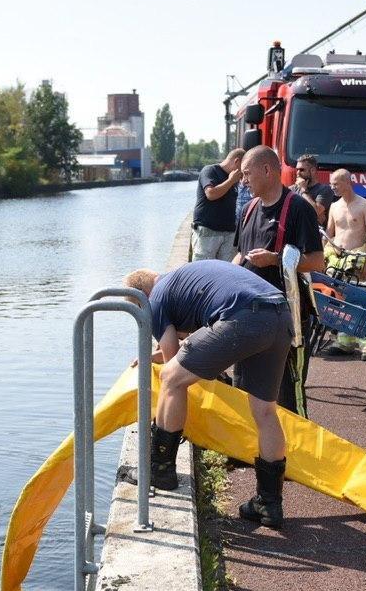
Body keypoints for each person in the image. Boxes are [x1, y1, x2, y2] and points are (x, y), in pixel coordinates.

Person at [124, 261, 294, 528]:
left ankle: (160, 469)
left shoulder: (154, 300)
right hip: (279, 313)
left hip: (244, 317)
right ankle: (269, 503)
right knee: (264, 411)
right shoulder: (182, 281)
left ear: (141, 299)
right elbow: (185, 346)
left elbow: (172, 361)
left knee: (171, 379)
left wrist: (165, 361)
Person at [233, 146, 326, 415]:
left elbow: (316, 261)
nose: (243, 181)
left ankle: (293, 442)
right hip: (247, 316)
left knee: (286, 397)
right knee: (244, 389)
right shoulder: (248, 209)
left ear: (266, 170)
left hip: (285, 320)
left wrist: (275, 259)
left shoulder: (298, 208)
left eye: (247, 174)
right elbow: (240, 255)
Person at [323, 168, 366, 359]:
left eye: (336, 184)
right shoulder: (334, 206)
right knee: (339, 301)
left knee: (361, 300)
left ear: (348, 183)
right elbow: (329, 233)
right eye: (331, 184)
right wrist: (322, 256)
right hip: (336, 259)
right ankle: (345, 341)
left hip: (357, 259)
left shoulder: (365, 205)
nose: (332, 187)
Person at [191, 148, 245, 261]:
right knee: (204, 268)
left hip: (229, 232)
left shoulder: (234, 178)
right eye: (242, 168)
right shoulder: (210, 170)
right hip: (208, 231)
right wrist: (230, 181)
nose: (242, 173)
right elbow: (210, 194)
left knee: (226, 269)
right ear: (236, 161)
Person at [292, 154, 335, 227]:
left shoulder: (325, 189)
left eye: (302, 170)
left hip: (313, 232)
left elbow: (315, 211)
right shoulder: (291, 189)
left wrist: (304, 191)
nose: (298, 173)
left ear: (313, 170)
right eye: (297, 169)